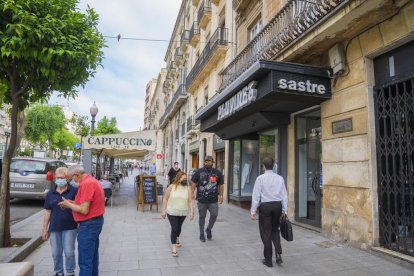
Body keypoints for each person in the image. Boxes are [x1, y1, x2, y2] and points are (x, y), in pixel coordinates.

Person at [58, 165, 105, 276]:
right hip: (94, 223)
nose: (71, 181)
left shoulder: (87, 184)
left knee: (85, 261)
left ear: (77, 175)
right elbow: (87, 203)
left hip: (88, 225)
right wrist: (72, 202)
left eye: (71, 178)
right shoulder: (91, 180)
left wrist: (69, 205)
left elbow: (84, 210)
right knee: (92, 257)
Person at [250, 156, 288, 267]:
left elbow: (256, 196)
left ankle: (268, 260)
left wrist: (253, 211)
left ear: (263, 166)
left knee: (266, 233)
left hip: (265, 206)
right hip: (277, 206)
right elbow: (284, 195)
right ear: (273, 165)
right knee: (275, 229)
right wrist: (285, 210)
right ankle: (278, 254)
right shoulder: (280, 178)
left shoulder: (260, 179)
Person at [42, 167, 78, 276]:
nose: (59, 179)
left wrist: (71, 204)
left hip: (70, 226)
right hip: (54, 227)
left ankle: (70, 272)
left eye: (62, 177)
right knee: (55, 253)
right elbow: (48, 212)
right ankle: (58, 272)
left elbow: (80, 207)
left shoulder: (74, 191)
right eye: (57, 177)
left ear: (67, 179)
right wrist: (44, 229)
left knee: (69, 252)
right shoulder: (51, 193)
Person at [191, 155, 224, 242]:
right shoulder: (199, 171)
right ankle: (201, 233)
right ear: (204, 162)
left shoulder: (217, 173)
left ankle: (208, 229)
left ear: (212, 162)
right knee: (202, 216)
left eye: (209, 161)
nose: (207, 163)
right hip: (202, 199)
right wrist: (192, 193)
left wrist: (221, 195)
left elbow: (221, 185)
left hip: (213, 200)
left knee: (214, 215)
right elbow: (193, 182)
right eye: (206, 161)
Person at [161, 171, 194, 257]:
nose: (185, 180)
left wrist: (191, 212)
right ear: (178, 178)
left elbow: (190, 201)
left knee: (179, 228)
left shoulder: (188, 188)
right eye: (183, 179)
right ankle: (174, 248)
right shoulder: (171, 187)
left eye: (186, 179)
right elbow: (165, 199)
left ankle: (177, 239)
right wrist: (163, 211)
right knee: (174, 228)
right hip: (171, 212)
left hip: (183, 212)